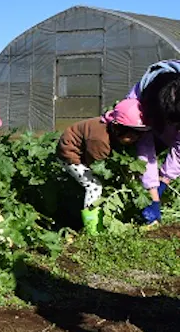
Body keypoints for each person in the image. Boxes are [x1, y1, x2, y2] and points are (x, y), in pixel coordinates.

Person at [57, 99, 150, 234]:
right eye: (131, 134)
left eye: (139, 134)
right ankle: (93, 229)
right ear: (117, 128)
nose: (135, 138)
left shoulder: (112, 131)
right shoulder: (99, 140)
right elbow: (96, 166)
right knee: (94, 185)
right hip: (69, 154)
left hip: (86, 149)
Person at [124, 60, 180, 224]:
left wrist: (164, 180)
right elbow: (145, 149)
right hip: (152, 125)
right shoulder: (138, 104)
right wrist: (153, 196)